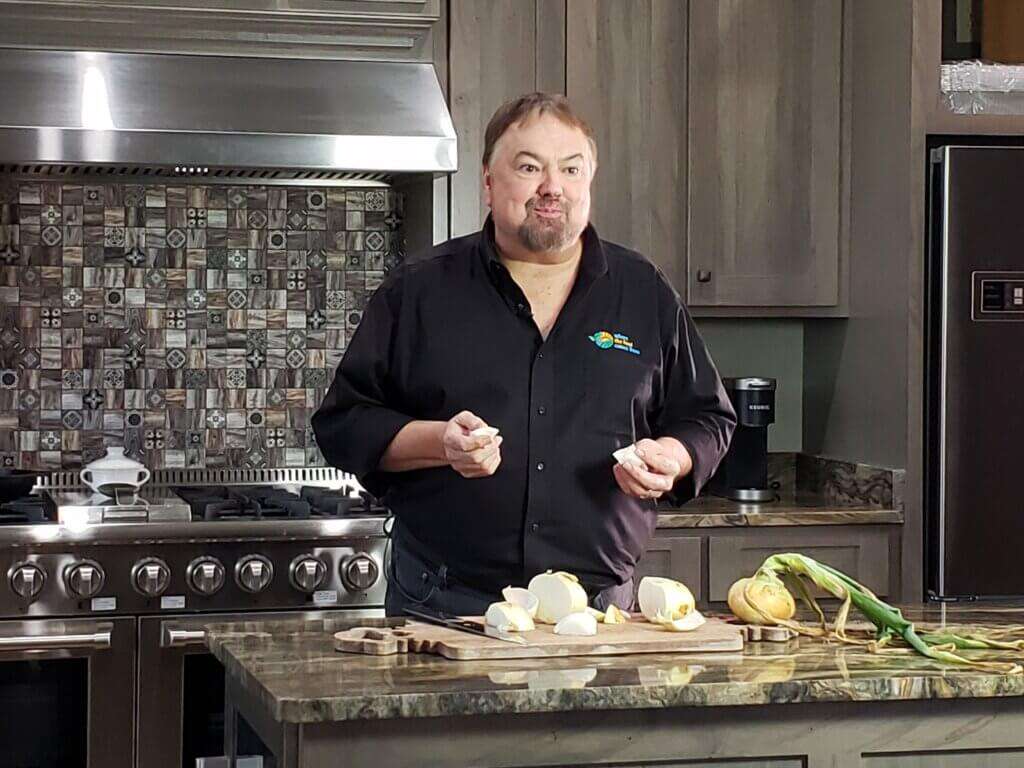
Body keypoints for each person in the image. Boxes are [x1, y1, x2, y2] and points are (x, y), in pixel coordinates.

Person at [312, 92, 736, 617]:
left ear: (589, 181)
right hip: (445, 605)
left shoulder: (644, 292)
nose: (552, 187)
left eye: (571, 168)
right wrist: (440, 443)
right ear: (488, 183)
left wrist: (674, 457)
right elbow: (344, 424)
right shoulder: (418, 291)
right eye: (529, 166)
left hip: (599, 614)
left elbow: (706, 416)